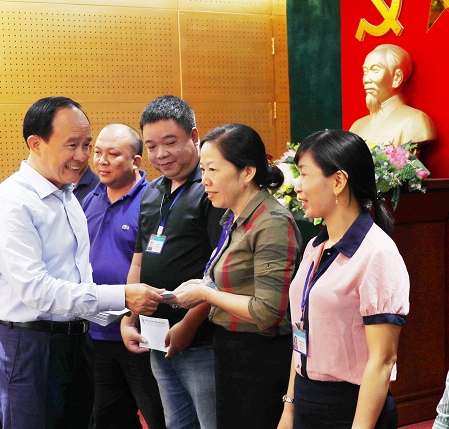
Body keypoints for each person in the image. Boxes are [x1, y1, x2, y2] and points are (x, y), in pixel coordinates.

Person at [0, 96, 164, 429]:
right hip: (29, 345)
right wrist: (123, 295)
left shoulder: (68, 197)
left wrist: (126, 313)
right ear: (36, 143)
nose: (83, 157)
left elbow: (80, 281)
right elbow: (38, 291)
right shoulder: (12, 202)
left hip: (78, 341)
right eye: (72, 145)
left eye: (86, 145)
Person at [169, 123, 301, 429]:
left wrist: (206, 294)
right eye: (203, 169)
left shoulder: (271, 222)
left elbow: (266, 313)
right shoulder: (234, 216)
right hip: (231, 349)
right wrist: (204, 286)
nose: (205, 179)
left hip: (260, 356)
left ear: (247, 172)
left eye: (214, 169)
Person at [277, 129, 410, 429]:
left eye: (304, 174)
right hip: (307, 399)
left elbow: (382, 361)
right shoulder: (315, 246)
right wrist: (289, 408)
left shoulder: (377, 252)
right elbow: (301, 336)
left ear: (338, 181)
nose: (297, 186)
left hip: (351, 409)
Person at [121, 95, 225, 429]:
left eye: (170, 142)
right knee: (175, 424)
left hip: (201, 342)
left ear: (194, 136)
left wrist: (188, 325)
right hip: (157, 338)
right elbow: (139, 261)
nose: (160, 154)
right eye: (151, 146)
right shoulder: (151, 191)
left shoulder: (212, 189)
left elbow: (222, 271)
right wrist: (129, 317)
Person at [82, 123, 166, 429]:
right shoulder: (90, 198)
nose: (101, 161)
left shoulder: (154, 201)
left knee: (157, 415)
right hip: (97, 331)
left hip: (139, 332)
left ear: (135, 161)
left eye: (113, 154)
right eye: (98, 152)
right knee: (108, 418)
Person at [349, 44, 436, 147]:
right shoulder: (356, 127)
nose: (366, 80)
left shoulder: (415, 121)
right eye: (365, 71)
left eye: (375, 70)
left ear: (397, 78)